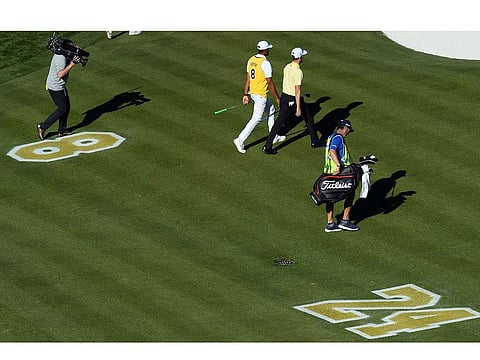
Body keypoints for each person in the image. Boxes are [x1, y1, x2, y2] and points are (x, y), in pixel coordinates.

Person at [262, 47, 322, 155]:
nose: (303, 57)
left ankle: (267, 146)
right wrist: (298, 108)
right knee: (308, 118)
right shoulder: (298, 71)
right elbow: (297, 90)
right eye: (302, 56)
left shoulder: (287, 67)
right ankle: (314, 142)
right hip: (292, 99)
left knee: (279, 122)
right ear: (299, 57)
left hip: (284, 97)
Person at [233, 40, 281, 154]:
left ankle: (273, 135)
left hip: (253, 93)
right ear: (264, 50)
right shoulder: (265, 63)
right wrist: (277, 97)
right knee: (256, 118)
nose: (268, 50)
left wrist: (245, 94)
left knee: (271, 110)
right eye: (268, 49)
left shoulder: (251, 60)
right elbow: (270, 83)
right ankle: (240, 139)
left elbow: (248, 78)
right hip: (260, 95)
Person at [37, 39, 81, 140]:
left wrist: (77, 52)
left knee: (66, 107)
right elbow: (60, 74)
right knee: (63, 108)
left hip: (60, 86)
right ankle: (43, 126)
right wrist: (72, 64)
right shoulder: (60, 58)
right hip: (55, 87)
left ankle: (61, 131)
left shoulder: (63, 53)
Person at [323, 119, 360, 232]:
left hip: (328, 171)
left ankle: (330, 223)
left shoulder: (331, 137)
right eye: (348, 130)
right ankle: (345, 221)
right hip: (339, 173)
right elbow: (332, 152)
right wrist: (338, 165)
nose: (348, 132)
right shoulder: (338, 138)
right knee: (350, 193)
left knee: (329, 196)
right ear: (345, 128)